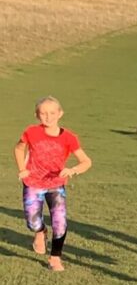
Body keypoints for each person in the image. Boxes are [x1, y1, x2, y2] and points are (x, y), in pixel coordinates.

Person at [13, 96, 92, 271]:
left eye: (52, 113)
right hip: (33, 182)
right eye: (43, 113)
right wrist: (22, 169)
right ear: (36, 115)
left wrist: (72, 170)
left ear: (60, 114)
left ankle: (55, 258)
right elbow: (19, 148)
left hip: (56, 184)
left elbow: (86, 161)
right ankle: (40, 232)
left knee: (60, 222)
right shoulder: (31, 132)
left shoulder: (69, 137)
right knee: (32, 221)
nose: (48, 117)